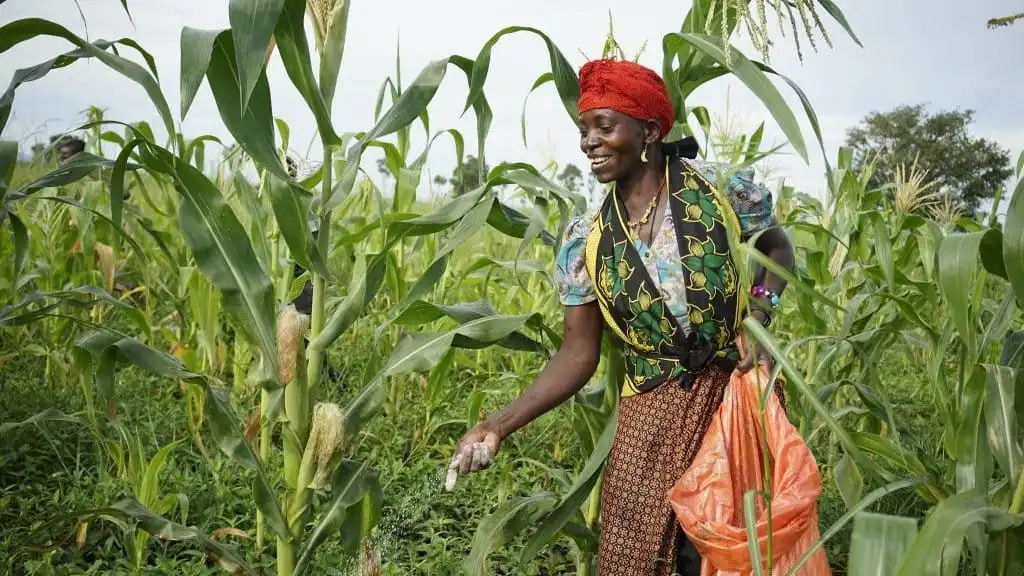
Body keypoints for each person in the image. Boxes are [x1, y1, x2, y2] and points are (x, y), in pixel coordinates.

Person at [447, 59, 795, 576]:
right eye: (584, 130)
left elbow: (776, 246)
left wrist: (761, 311)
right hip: (648, 422)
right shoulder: (585, 239)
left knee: (733, 556)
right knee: (637, 559)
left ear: (649, 131)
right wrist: (495, 426)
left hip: (734, 401)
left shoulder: (719, 190)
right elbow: (577, 353)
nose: (589, 142)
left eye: (604, 127)